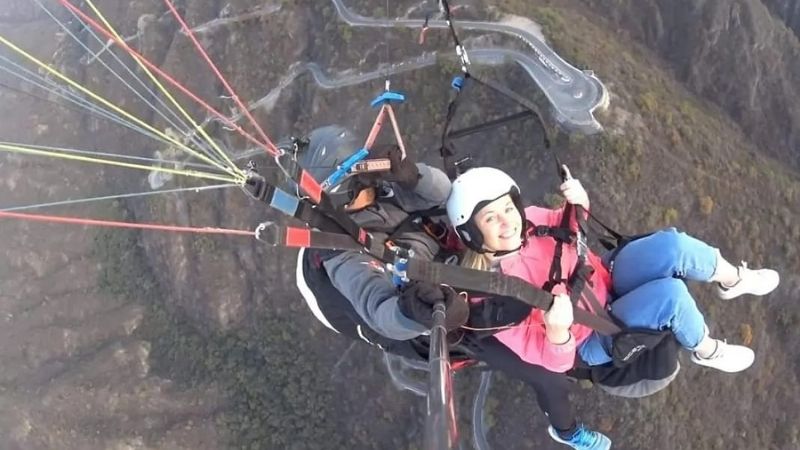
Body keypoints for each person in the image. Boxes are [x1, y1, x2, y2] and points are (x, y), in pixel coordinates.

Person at [435, 165, 780, 449]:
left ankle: (733, 279)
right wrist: (558, 332)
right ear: (472, 234)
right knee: (670, 297)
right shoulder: (494, 299)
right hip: (590, 336)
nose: (508, 221)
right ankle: (705, 349)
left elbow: (568, 227)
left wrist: (579, 203)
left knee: (673, 246)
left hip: (604, 279)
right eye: (490, 218)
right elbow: (554, 363)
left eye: (508, 208)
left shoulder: (529, 220)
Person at [292, 125, 469, 360]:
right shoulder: (341, 252)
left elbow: (445, 193)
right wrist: (413, 313)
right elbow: (378, 307)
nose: (369, 176)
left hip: (434, 259)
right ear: (342, 191)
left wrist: (414, 177)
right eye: (358, 173)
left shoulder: (380, 192)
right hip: (409, 319)